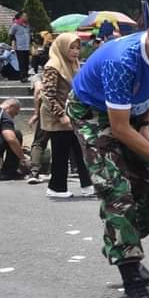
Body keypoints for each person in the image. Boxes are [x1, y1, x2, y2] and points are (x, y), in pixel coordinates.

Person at [68, 2, 149, 298]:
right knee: (117, 191)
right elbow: (119, 129)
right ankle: (131, 275)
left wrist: (148, 124)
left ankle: (121, 243)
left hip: (132, 116)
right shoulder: (121, 60)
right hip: (92, 114)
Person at [41, 33, 93, 199]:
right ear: (63, 47)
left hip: (73, 114)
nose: (76, 51)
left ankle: (88, 184)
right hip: (57, 116)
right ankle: (56, 187)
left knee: (80, 149)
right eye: (71, 47)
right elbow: (47, 95)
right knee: (61, 152)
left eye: (78, 47)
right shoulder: (53, 66)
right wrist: (61, 115)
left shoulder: (74, 64)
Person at [25, 73, 51, 183]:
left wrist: (36, 113)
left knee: (39, 142)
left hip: (46, 110)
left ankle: (34, 171)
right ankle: (74, 168)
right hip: (63, 108)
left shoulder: (38, 76)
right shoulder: (69, 68)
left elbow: (38, 90)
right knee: (67, 140)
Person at [9, 12, 31, 83]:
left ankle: (26, 76)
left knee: (27, 63)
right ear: (21, 17)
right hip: (20, 47)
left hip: (27, 47)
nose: (26, 17)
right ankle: (22, 77)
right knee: (21, 63)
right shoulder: (15, 25)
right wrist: (13, 46)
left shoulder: (27, 25)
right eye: (24, 16)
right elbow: (11, 35)